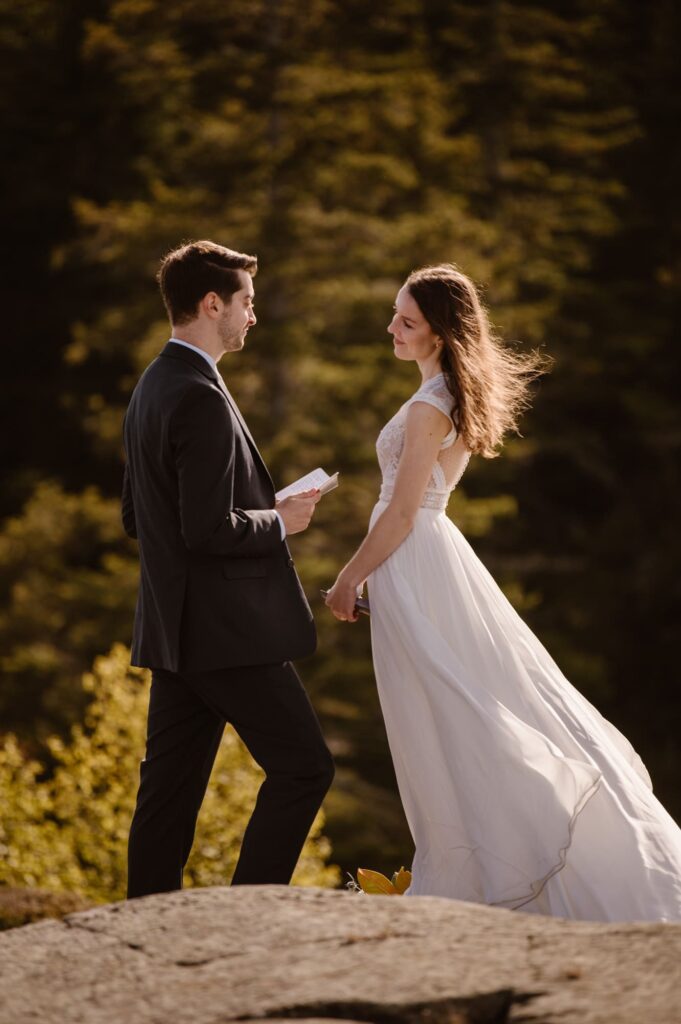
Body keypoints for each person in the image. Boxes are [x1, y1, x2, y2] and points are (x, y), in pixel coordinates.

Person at [325, 263, 681, 922]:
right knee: (439, 711)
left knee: (461, 708)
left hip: (416, 557)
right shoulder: (434, 394)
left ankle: (500, 857)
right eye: (396, 317)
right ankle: (474, 862)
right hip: (413, 563)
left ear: (438, 331)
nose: (391, 329)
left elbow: (402, 512)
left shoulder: (432, 405)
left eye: (406, 321)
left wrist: (349, 575)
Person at [122, 240, 334, 898]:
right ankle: (249, 914)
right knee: (304, 768)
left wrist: (255, 506)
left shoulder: (152, 386)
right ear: (212, 304)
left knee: (168, 799)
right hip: (226, 634)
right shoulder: (199, 396)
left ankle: (143, 924)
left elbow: (141, 517)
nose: (252, 315)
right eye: (245, 301)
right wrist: (279, 522)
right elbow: (206, 530)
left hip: (176, 632)